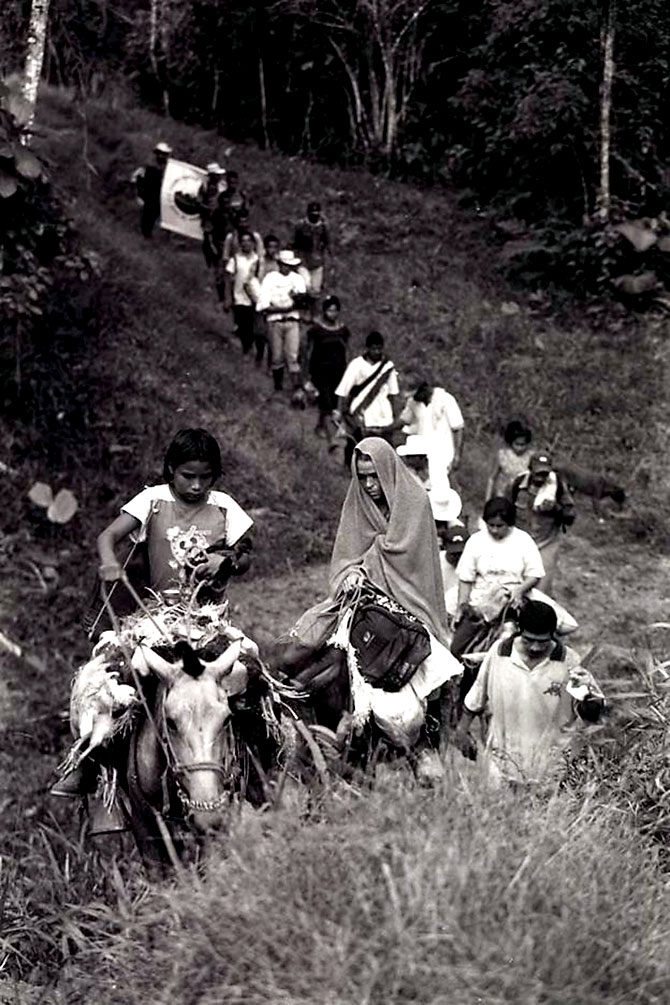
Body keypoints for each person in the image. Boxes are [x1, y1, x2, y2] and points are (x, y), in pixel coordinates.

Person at [278, 437, 462, 760]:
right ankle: (309, 715)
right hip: (361, 598)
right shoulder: (357, 503)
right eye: (362, 477)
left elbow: (407, 557)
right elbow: (345, 555)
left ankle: (429, 739)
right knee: (310, 651)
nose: (369, 484)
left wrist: (367, 566)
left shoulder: (415, 502)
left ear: (388, 470)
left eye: (374, 476)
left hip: (406, 601)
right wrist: (350, 573)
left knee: (426, 662)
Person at [455, 600, 604, 785]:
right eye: (528, 640)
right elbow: (476, 696)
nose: (535, 647)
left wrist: (588, 694)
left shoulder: (569, 661)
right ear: (518, 630)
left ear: (553, 635)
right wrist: (461, 731)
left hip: (551, 766)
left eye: (542, 642)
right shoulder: (500, 653)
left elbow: (592, 714)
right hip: (501, 760)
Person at [97, 428, 254, 599]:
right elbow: (108, 535)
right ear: (172, 468)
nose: (197, 485)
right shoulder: (154, 500)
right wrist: (109, 562)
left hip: (208, 613)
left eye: (205, 477)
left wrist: (226, 563)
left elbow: (244, 557)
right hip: (157, 610)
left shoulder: (223, 505)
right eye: (188, 476)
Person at [451, 497, 544, 661]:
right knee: (456, 648)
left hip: (512, 601)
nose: (494, 530)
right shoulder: (476, 541)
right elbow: (466, 578)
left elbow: (535, 574)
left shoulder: (523, 541)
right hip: (480, 601)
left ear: (509, 524)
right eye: (490, 525)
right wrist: (462, 607)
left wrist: (520, 589)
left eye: (499, 526)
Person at [510, 451, 575, 594]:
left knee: (541, 590)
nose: (541, 478)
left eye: (544, 474)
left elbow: (570, 517)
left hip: (546, 544)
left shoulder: (557, 486)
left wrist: (556, 508)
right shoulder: (518, 484)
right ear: (530, 469)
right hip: (520, 544)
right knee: (514, 586)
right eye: (538, 473)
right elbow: (507, 510)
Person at [335, 331, 401, 470]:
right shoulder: (356, 365)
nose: (376, 351)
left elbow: (393, 392)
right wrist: (340, 411)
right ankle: (351, 469)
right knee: (357, 444)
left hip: (383, 412)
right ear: (367, 348)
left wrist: (395, 414)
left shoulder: (388, 366)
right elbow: (343, 389)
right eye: (373, 348)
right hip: (361, 411)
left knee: (385, 445)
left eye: (379, 348)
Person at [256, 249, 308, 393]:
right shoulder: (270, 278)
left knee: (293, 355)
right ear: (279, 264)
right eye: (284, 264)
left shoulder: (297, 279)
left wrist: (295, 301)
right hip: (275, 321)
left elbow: (302, 302)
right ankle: (277, 386)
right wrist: (284, 308)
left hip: (292, 321)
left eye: (289, 265)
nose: (287, 268)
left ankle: (296, 389)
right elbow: (264, 305)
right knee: (277, 355)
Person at [400, 381, 464, 495]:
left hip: (443, 453)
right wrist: (382, 429)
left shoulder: (445, 399)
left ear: (424, 389)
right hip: (421, 455)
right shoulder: (413, 402)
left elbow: (458, 428)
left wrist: (458, 455)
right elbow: (404, 420)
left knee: (443, 489)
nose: (415, 397)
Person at [305, 295, 350, 445]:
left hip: (338, 371)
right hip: (320, 371)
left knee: (333, 400)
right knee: (327, 402)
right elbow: (308, 351)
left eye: (335, 311)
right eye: (330, 310)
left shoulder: (343, 330)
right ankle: (331, 440)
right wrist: (307, 375)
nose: (333, 314)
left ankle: (320, 425)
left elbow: (346, 351)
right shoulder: (316, 330)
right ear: (325, 311)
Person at [224, 231, 261, 358]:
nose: (246, 244)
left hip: (253, 298)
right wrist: (228, 298)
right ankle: (245, 349)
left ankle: (249, 349)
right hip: (238, 297)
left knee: (251, 326)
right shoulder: (235, 259)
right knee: (242, 323)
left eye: (248, 241)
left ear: (253, 243)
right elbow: (228, 279)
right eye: (243, 241)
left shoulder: (258, 259)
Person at [486, 418, 534, 500]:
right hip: (503, 496)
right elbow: (492, 478)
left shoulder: (531, 456)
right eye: (517, 444)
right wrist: (488, 500)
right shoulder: (502, 455)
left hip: (523, 498)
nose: (520, 448)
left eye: (523, 445)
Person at [132, 141, 172, 238]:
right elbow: (139, 179)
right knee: (148, 217)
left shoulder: (169, 167)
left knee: (160, 217)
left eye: (164, 154)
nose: (162, 156)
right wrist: (140, 194)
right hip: (150, 195)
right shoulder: (150, 166)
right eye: (160, 153)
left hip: (162, 196)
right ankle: (146, 235)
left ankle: (161, 237)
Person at [292, 201, 329, 301]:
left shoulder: (323, 227)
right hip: (303, 261)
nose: (314, 217)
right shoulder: (300, 226)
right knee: (305, 287)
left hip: (317, 262)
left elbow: (326, 243)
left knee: (315, 291)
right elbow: (294, 243)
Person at [197, 162, 227, 268]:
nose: (219, 177)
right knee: (208, 241)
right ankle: (209, 261)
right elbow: (199, 201)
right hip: (208, 218)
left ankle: (220, 261)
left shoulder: (223, 185)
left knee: (220, 241)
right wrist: (207, 209)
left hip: (221, 218)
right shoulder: (205, 186)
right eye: (216, 175)